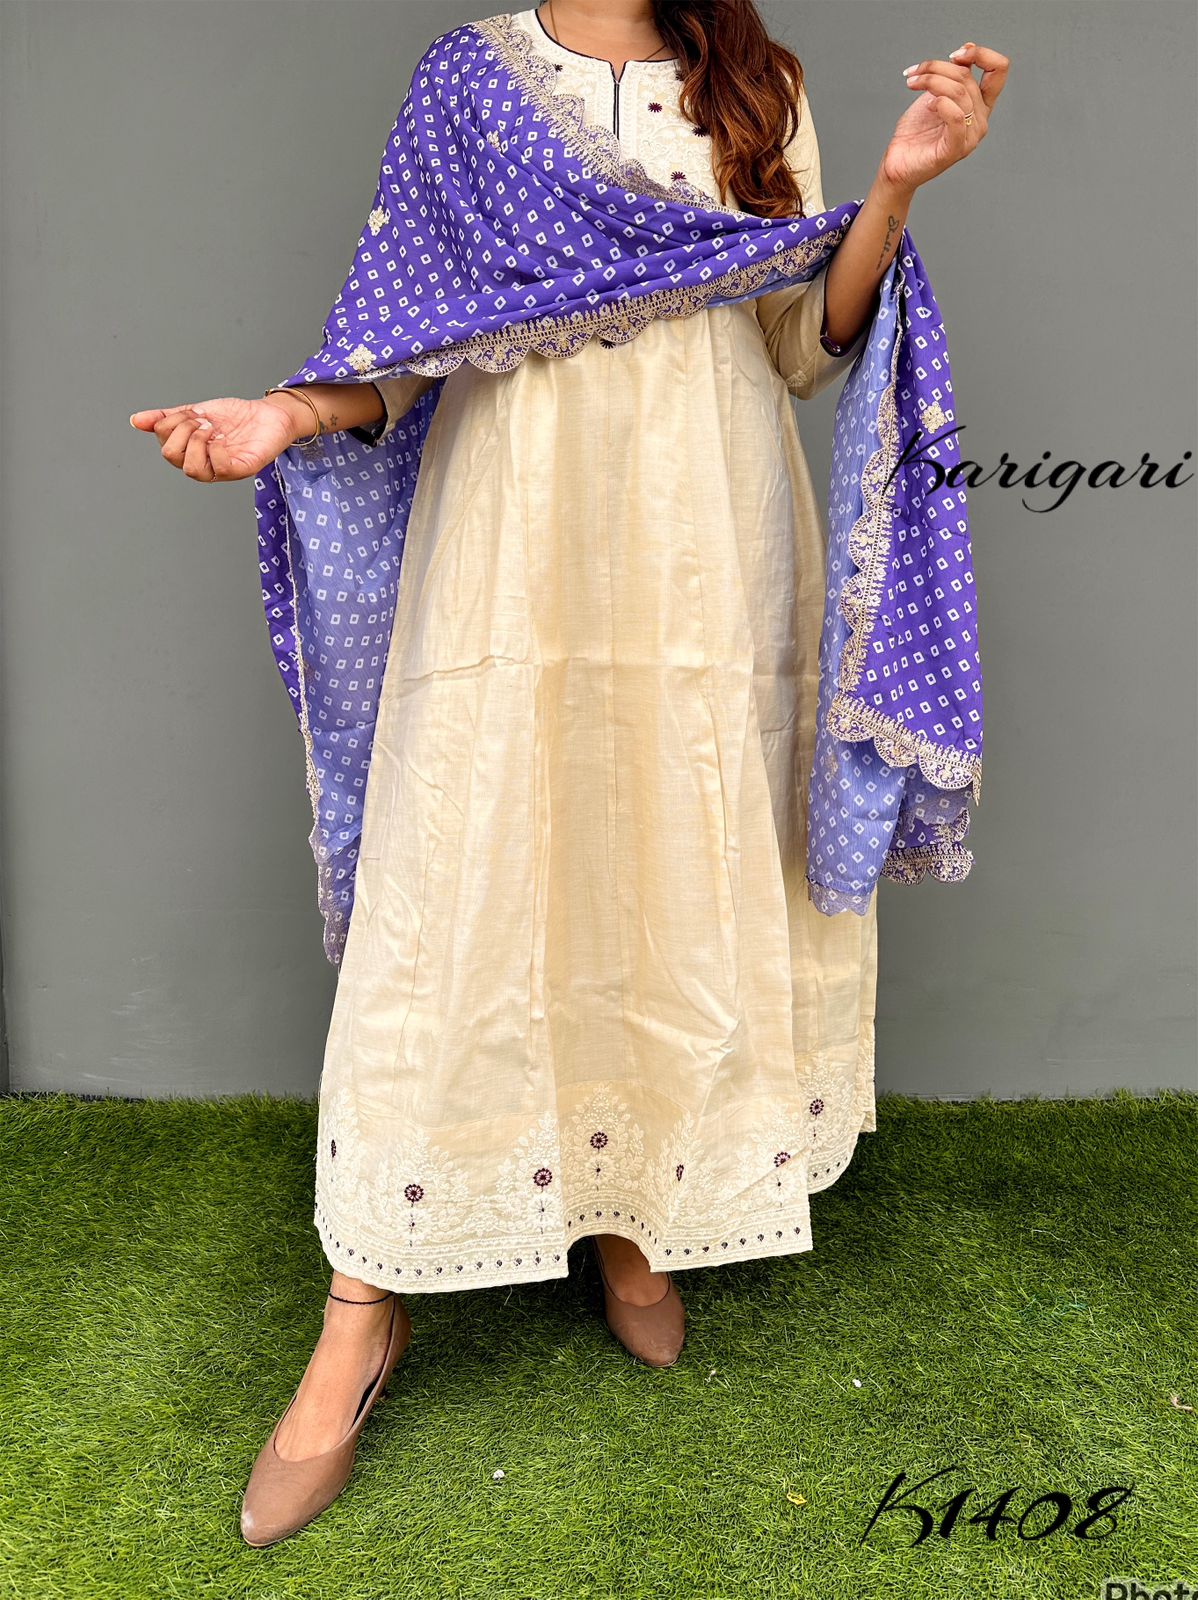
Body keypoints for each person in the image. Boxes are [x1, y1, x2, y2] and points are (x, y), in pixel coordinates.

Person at [131, 0, 1006, 1549]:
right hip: (512, 542)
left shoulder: (758, 84)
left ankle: (631, 1213)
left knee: (665, 867)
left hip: (705, 547)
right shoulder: (468, 81)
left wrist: (892, 188)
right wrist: (286, 411)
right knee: (462, 888)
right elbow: (405, 344)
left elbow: (799, 346)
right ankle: (361, 1312)